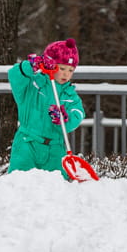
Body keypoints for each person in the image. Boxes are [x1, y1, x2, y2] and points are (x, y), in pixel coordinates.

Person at [6, 38, 86, 176]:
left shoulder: (69, 95)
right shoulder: (33, 85)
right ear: (51, 64)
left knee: (55, 188)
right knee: (20, 184)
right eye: (62, 68)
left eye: (70, 70)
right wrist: (30, 67)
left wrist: (64, 119)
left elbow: (78, 113)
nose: (66, 74)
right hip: (27, 144)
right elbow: (14, 75)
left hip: (55, 148)